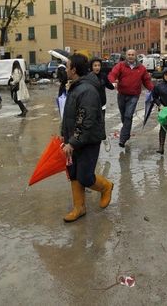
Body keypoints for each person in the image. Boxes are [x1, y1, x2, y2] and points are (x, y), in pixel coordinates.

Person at [61, 53, 114, 223]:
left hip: (88, 140)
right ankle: (79, 208)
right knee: (74, 172)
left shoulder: (87, 90)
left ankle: (106, 186)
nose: (66, 70)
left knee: (84, 176)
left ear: (74, 70)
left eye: (68, 67)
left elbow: (86, 120)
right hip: (74, 139)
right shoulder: (76, 86)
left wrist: (73, 142)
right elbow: (69, 115)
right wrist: (64, 135)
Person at [108, 49, 154, 148]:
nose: (130, 56)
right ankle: (127, 133)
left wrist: (153, 90)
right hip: (121, 94)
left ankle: (123, 139)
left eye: (132, 54)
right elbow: (112, 74)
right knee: (123, 116)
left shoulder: (141, 68)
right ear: (126, 55)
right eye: (129, 54)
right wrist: (113, 82)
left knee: (128, 115)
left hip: (134, 95)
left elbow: (147, 81)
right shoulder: (120, 65)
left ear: (135, 56)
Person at [90, 57, 115, 152]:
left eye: (99, 65)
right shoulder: (88, 77)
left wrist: (115, 85)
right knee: (91, 124)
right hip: (90, 105)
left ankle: (104, 139)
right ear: (91, 67)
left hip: (101, 105)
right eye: (95, 65)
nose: (97, 67)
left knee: (100, 124)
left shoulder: (103, 76)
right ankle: (93, 145)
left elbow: (110, 86)